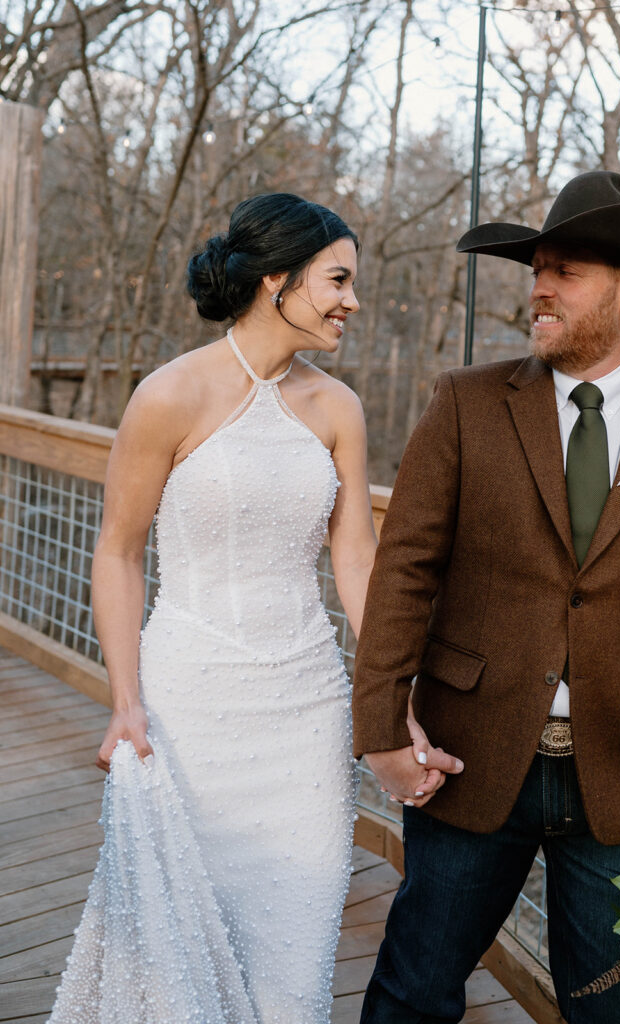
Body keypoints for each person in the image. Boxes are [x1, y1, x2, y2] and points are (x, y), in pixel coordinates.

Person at [351, 170, 620, 1024]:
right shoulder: (464, 404)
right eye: (537, 267)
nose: (539, 286)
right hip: (467, 759)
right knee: (412, 994)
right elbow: (404, 572)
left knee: (618, 1011)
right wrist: (381, 730)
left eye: (565, 270)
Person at [48, 193, 380, 1024]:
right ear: (278, 280)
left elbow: (356, 559)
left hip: (306, 707)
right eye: (337, 280)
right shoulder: (168, 395)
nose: (352, 301)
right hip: (189, 704)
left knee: (294, 956)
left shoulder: (339, 409)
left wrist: (389, 688)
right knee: (176, 950)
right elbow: (120, 552)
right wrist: (125, 704)